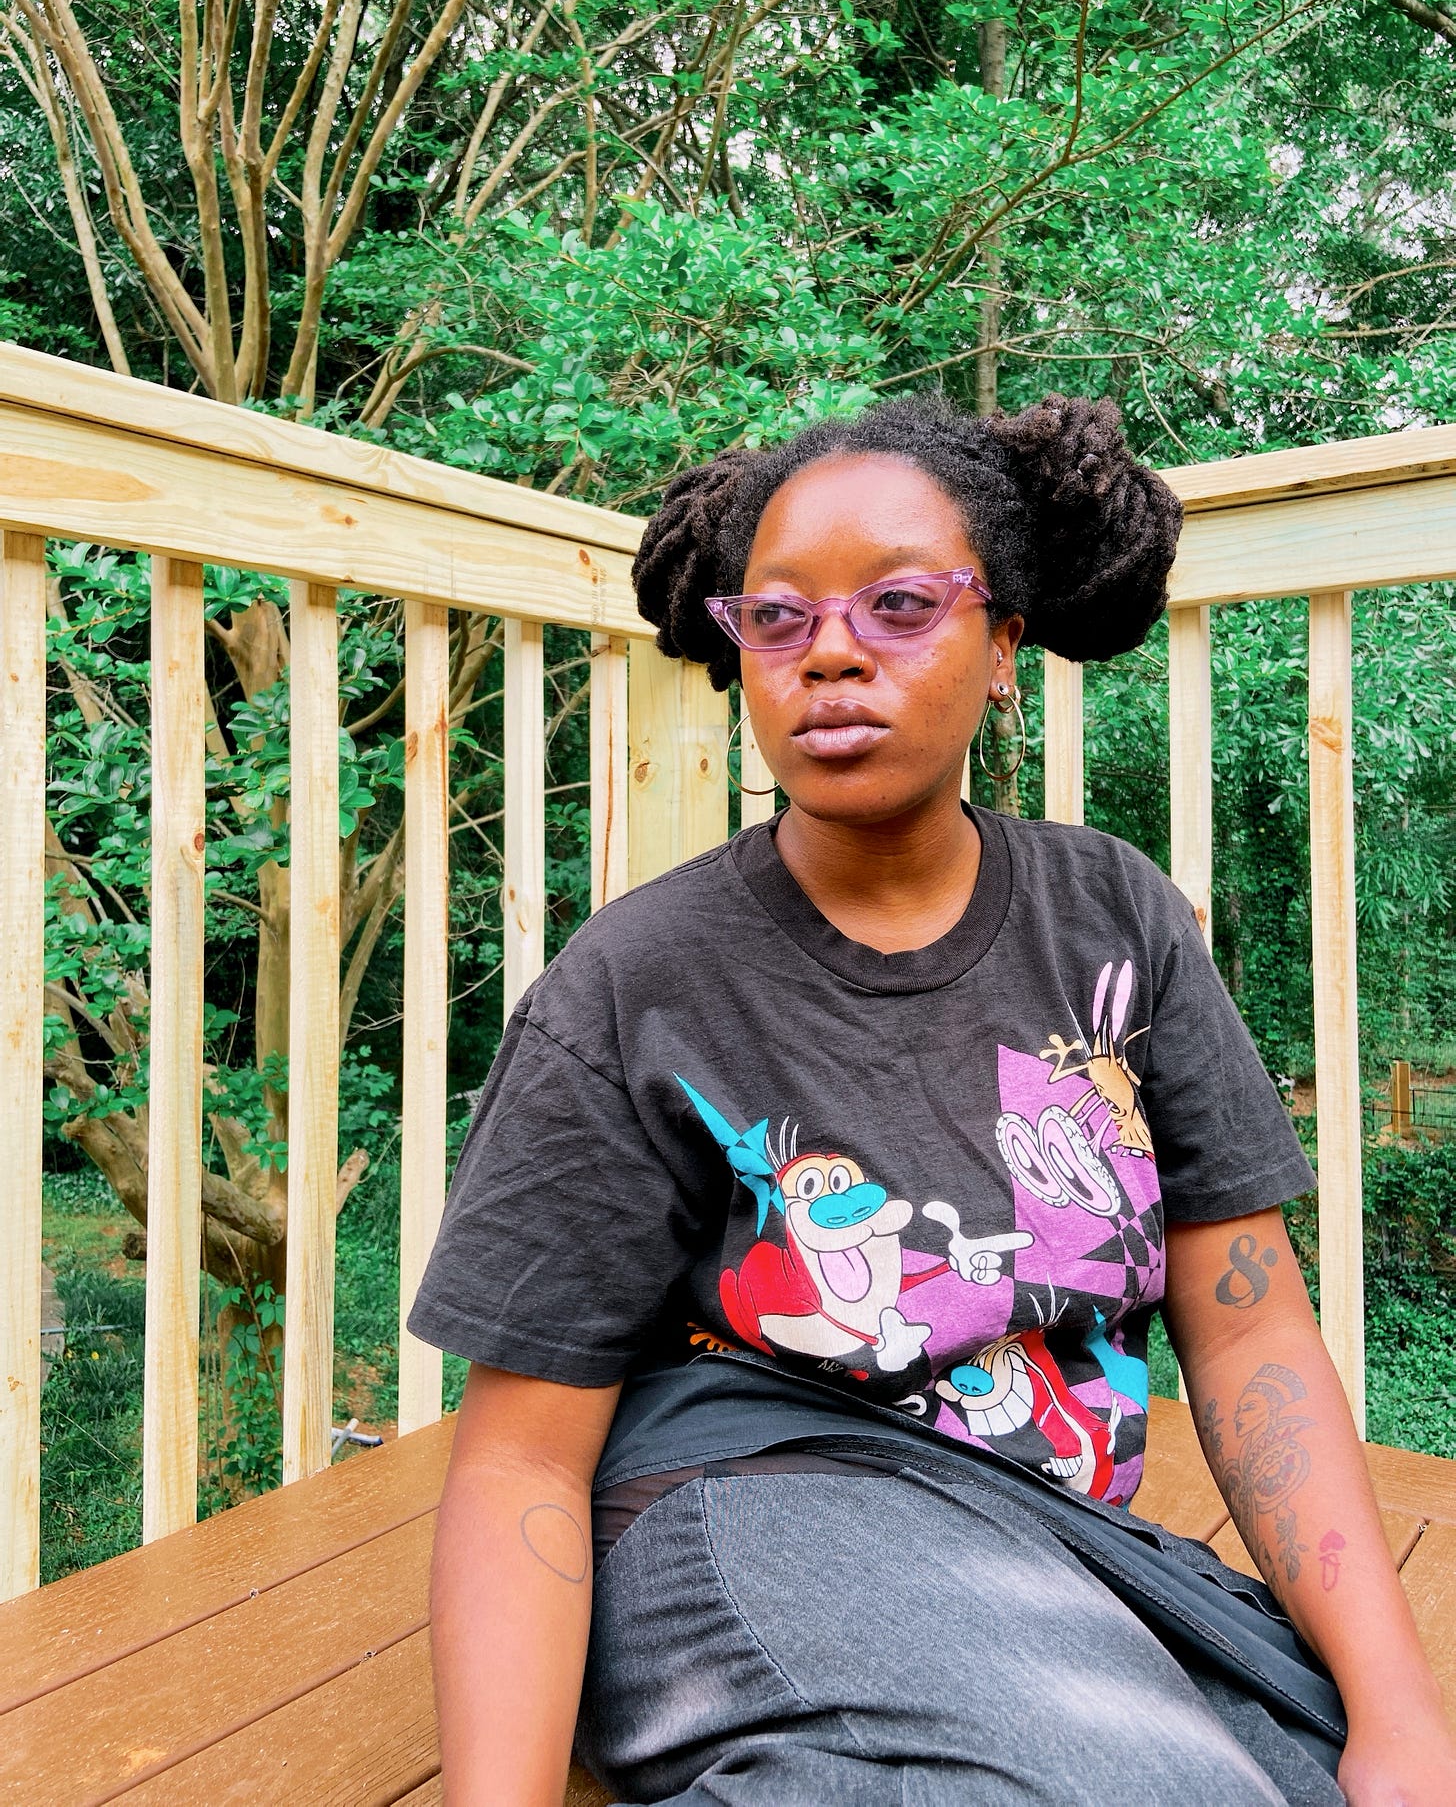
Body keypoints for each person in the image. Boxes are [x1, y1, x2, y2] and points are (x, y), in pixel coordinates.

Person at [413, 393, 1456, 1806]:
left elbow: (1251, 1318)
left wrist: (1400, 1711)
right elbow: (521, 1458)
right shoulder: (635, 984)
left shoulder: (1115, 921)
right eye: (777, 618)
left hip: (1041, 1540)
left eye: (901, 604)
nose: (832, 649)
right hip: (745, 1496)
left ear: (1004, 646)